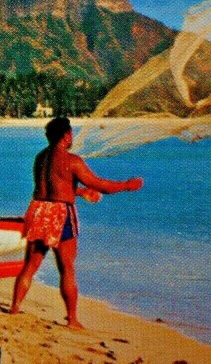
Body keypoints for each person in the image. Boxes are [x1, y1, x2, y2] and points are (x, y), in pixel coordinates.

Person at [9, 117, 143, 328]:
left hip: (38, 210)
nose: (72, 136)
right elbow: (101, 185)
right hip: (60, 214)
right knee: (67, 267)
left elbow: (53, 187)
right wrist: (127, 185)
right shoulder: (72, 161)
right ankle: (72, 319)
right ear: (66, 135)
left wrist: (79, 192)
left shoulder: (40, 158)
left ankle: (15, 308)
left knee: (30, 265)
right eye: (71, 133)